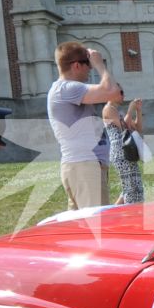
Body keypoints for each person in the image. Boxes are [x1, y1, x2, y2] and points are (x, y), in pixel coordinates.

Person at [48, 42, 122, 208]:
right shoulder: (68, 88)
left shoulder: (64, 89)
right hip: (85, 167)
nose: (90, 69)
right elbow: (114, 92)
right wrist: (99, 64)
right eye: (87, 64)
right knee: (98, 228)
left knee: (82, 229)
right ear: (76, 65)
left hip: (81, 167)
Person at [102, 98, 148, 204]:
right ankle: (131, 213)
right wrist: (130, 109)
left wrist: (138, 111)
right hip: (120, 152)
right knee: (131, 188)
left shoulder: (118, 112)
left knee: (133, 186)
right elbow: (124, 126)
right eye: (119, 93)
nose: (122, 96)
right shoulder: (108, 109)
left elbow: (138, 128)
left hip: (127, 151)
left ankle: (111, 215)